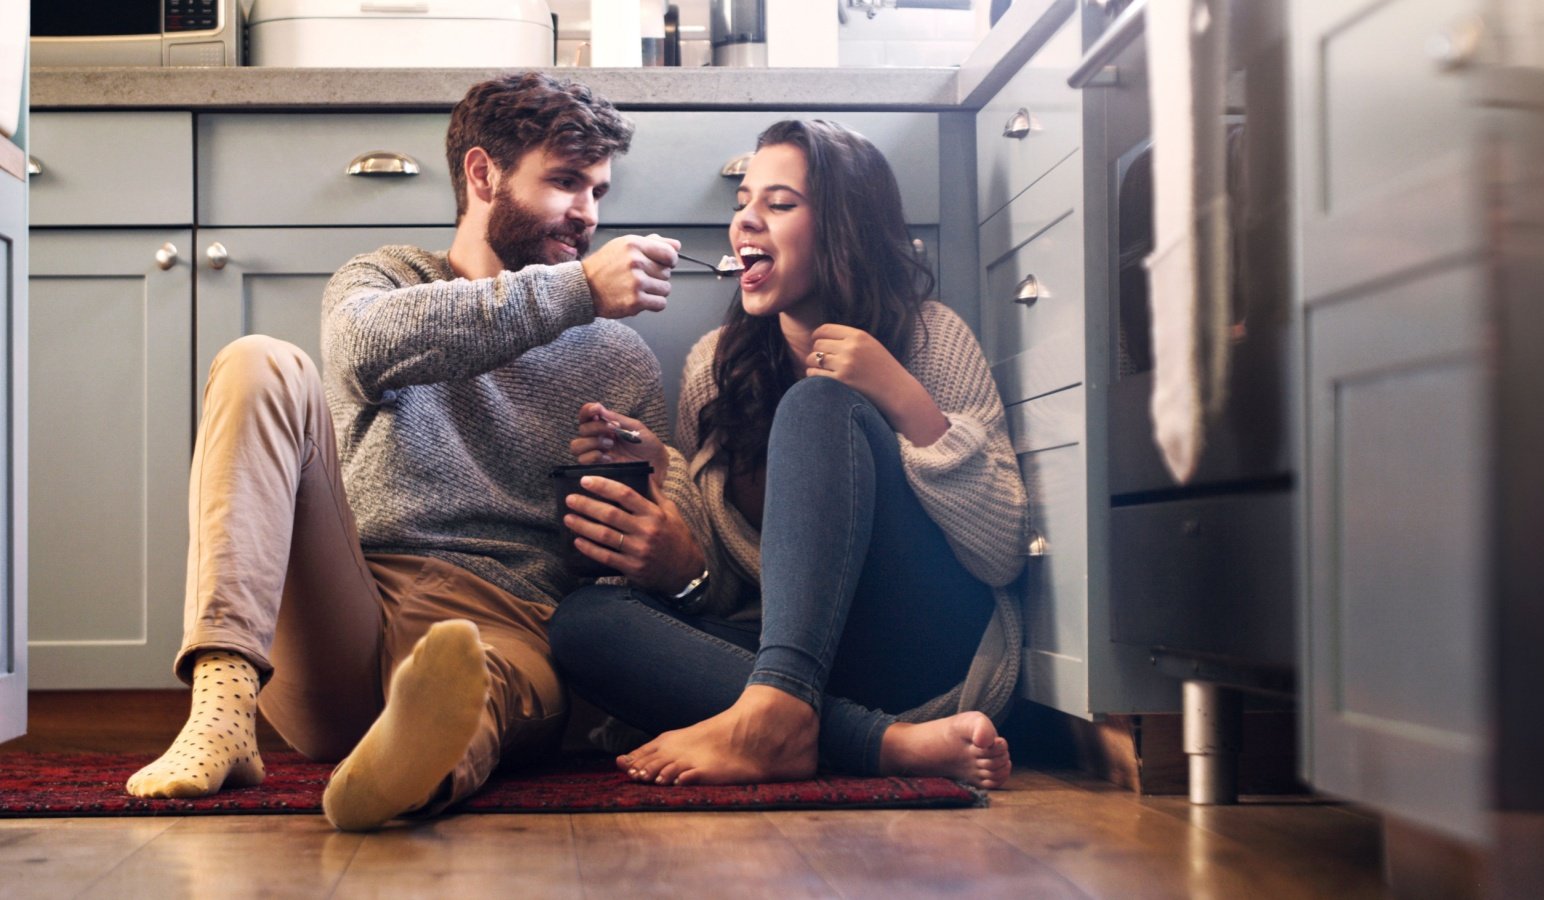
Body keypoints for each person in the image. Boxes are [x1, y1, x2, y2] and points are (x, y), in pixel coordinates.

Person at [124, 72, 702, 831]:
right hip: (351, 611)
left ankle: (406, 773)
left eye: (597, 189)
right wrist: (577, 292)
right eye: (565, 183)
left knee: (476, 681)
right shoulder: (385, 281)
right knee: (258, 359)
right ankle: (221, 709)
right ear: (483, 174)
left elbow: (655, 553)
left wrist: (657, 526)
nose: (587, 215)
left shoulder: (618, 358)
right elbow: (360, 349)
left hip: (511, 624)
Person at [549, 119, 1028, 789]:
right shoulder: (714, 368)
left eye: (779, 204)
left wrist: (903, 398)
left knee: (817, 404)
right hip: (815, 666)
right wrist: (667, 483)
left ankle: (785, 713)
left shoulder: (930, 336)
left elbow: (1002, 550)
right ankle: (878, 743)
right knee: (585, 624)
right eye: (743, 202)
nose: (746, 222)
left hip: (926, 645)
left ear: (844, 227)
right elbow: (724, 591)